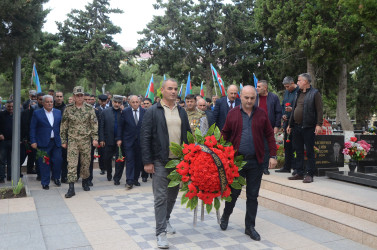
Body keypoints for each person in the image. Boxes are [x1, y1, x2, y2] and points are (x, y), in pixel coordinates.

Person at [219, 85, 277, 241]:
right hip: (237, 162)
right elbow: (224, 134)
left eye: (252, 98)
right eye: (246, 97)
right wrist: (218, 153)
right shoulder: (232, 114)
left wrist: (273, 155)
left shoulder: (262, 114)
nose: (250, 100)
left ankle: (249, 227)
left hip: (256, 162)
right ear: (241, 96)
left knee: (253, 196)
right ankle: (226, 215)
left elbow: (270, 135)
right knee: (234, 193)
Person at [141, 78, 191, 249]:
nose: (173, 91)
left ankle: (166, 219)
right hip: (160, 160)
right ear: (162, 90)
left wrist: (191, 157)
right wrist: (147, 161)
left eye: (175, 89)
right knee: (160, 197)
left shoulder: (181, 111)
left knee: (172, 194)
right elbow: (145, 137)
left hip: (178, 161)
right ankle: (160, 232)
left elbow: (188, 136)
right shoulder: (153, 111)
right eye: (170, 88)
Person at [60, 86, 99, 198]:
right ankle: (71, 188)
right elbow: (63, 126)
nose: (80, 97)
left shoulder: (89, 108)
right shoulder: (68, 109)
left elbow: (94, 124)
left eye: (81, 95)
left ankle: (85, 181)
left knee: (86, 163)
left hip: (86, 140)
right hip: (72, 140)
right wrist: (63, 140)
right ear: (74, 96)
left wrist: (95, 138)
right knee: (71, 164)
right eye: (77, 95)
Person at [287, 73, 323, 183]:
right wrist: (290, 124)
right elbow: (294, 109)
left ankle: (309, 174)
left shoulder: (315, 93)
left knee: (310, 151)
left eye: (299, 81)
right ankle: (299, 172)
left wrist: (319, 124)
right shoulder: (298, 93)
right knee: (298, 150)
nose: (297, 83)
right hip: (297, 126)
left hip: (308, 126)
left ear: (305, 82)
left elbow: (319, 110)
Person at [30, 95, 62, 190]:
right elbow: (32, 128)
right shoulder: (37, 113)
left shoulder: (58, 112)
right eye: (47, 102)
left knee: (58, 161)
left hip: (56, 142)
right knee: (44, 163)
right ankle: (45, 182)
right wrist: (33, 141)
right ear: (43, 103)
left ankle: (56, 178)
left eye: (51, 102)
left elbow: (62, 127)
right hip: (42, 143)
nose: (49, 103)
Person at [116, 95, 146, 188]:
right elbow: (120, 126)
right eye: (133, 102)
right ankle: (129, 181)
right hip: (128, 141)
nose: (135, 104)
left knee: (138, 161)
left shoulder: (144, 112)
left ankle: (135, 179)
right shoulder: (125, 112)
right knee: (130, 160)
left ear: (140, 102)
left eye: (137, 102)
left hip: (140, 141)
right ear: (129, 102)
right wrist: (119, 139)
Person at [256, 80, 282, 175]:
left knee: (267, 147)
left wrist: (277, 125)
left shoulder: (273, 97)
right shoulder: (255, 97)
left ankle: (264, 167)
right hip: (256, 126)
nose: (257, 88)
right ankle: (257, 166)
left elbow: (278, 112)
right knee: (257, 146)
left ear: (265, 88)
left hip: (269, 126)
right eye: (257, 86)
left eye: (259, 87)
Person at [276, 77, 299, 173]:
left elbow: (300, 106)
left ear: (293, 83)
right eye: (285, 87)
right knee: (287, 145)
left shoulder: (299, 92)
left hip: (296, 122)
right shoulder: (286, 93)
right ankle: (287, 166)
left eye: (288, 86)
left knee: (296, 145)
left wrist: (292, 110)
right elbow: (283, 106)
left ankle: (296, 167)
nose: (286, 89)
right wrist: (283, 115)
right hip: (287, 122)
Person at [99, 95, 124, 183]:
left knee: (119, 160)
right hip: (107, 140)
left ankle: (117, 178)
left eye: (119, 103)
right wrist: (101, 139)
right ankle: (109, 173)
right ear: (112, 102)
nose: (117, 104)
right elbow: (101, 126)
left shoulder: (123, 112)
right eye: (115, 102)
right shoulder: (105, 112)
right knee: (107, 159)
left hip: (120, 141)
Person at [0, 101, 22, 182]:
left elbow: (22, 127)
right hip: (3, 141)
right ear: (6, 106)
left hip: (14, 141)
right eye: (9, 106)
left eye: (12, 106)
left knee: (12, 160)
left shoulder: (18, 115)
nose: (11, 108)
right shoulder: (1, 114)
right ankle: (1, 177)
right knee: (1, 160)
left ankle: (10, 176)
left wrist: (20, 139)